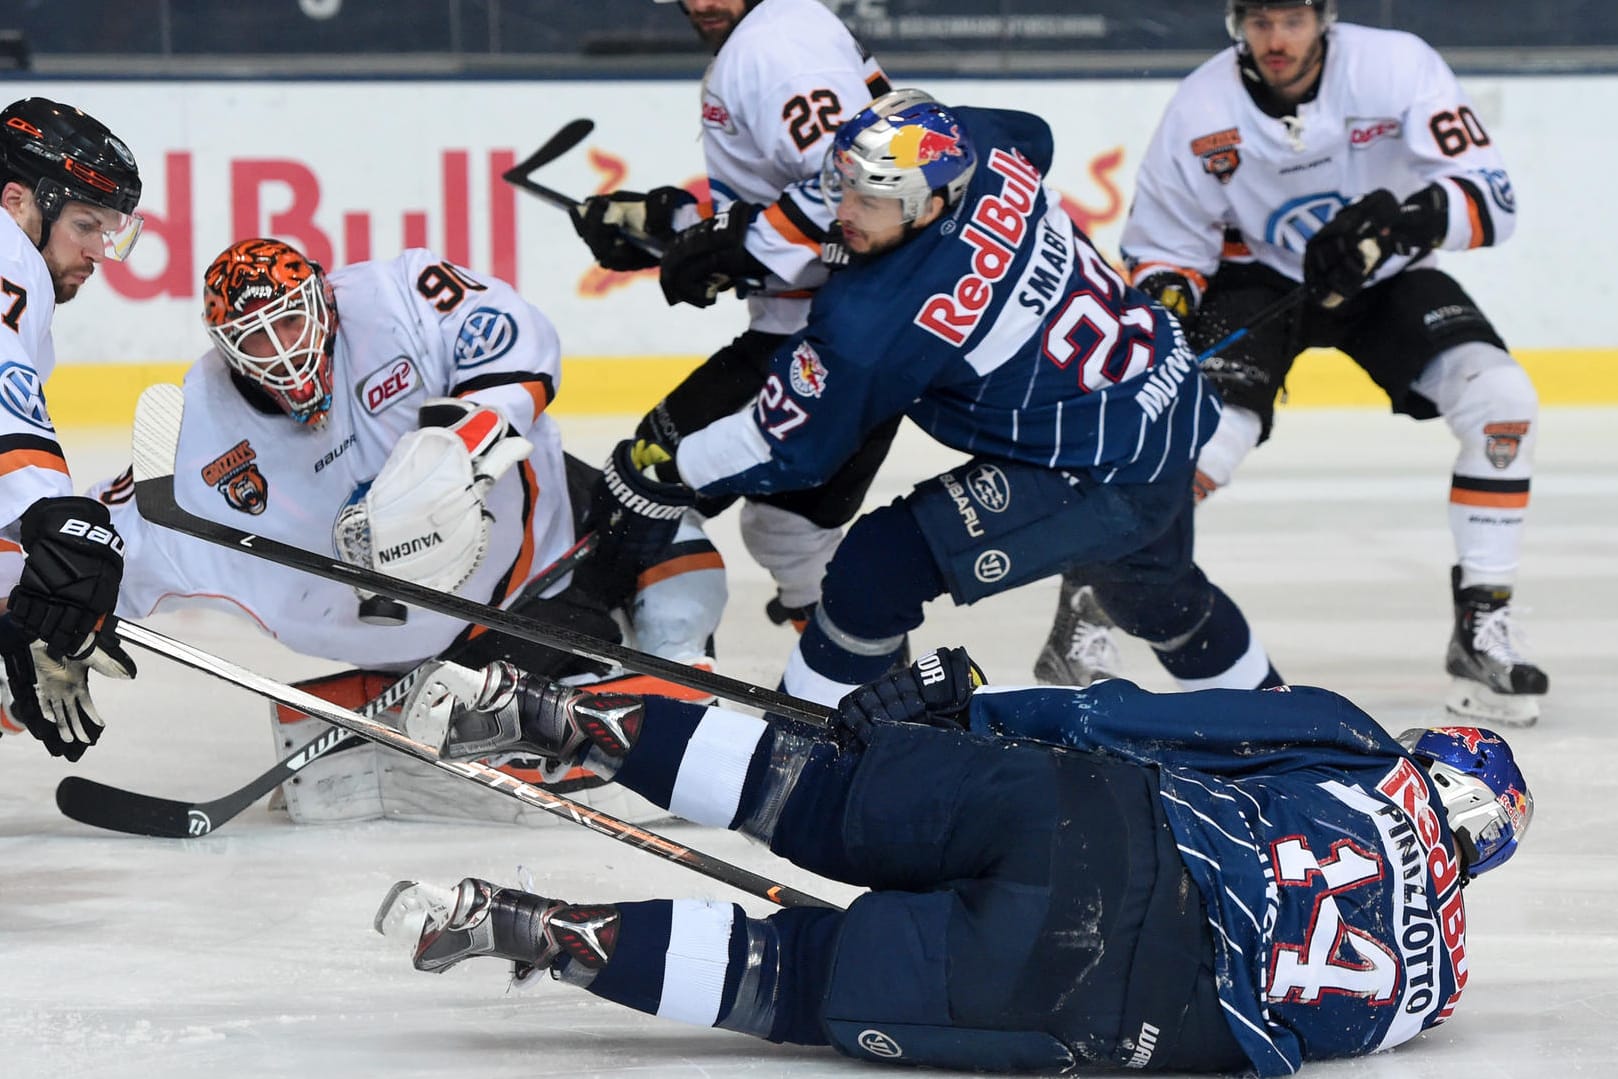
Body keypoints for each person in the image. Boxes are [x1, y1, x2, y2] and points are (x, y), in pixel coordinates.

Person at [378, 646, 1533, 1075]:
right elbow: (1261, 1046)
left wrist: (969, 714)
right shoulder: (1431, 989)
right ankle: (518, 926)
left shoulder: (1360, 750)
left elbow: (1136, 719)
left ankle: (532, 707)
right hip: (1103, 995)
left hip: (1093, 817)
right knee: (794, 978)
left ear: (1435, 759)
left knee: (810, 785)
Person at [593, 89, 1281, 704]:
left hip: (1099, 468)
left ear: (932, 204)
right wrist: (741, 238)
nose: (846, 211)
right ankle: (1283, 728)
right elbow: (1033, 132)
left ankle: (788, 751)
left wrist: (664, 469)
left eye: (871, 199)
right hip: (1167, 395)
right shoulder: (980, 145)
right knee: (1154, 594)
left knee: (876, 568)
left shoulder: (873, 324)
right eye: (845, 185)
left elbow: (789, 446)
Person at [88, 237, 726, 825]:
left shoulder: (395, 295)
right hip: (452, 631)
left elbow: (506, 337)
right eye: (256, 339)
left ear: (324, 297)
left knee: (684, 557)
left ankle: (623, 706)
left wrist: (462, 446)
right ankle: (459, 732)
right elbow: (90, 548)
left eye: (289, 321)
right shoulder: (200, 434)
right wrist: (36, 631)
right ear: (224, 348)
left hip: (547, 513)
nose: (282, 350)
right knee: (645, 713)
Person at [1036, 0, 1547, 726]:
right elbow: (1164, 247)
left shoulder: (1397, 66)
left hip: (1382, 271)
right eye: (1261, 21)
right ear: (1237, 22)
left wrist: (1406, 220)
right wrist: (1172, 309)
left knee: (1503, 399)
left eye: (1293, 20)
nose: (1277, 40)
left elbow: (1494, 198)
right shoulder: (1202, 106)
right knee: (1206, 440)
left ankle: (1481, 627)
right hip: (1255, 281)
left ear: (1324, 17)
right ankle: (1091, 596)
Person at [570, 0, 897, 631]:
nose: (702, 3)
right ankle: (883, 708)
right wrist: (667, 228)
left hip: (822, 342)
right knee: (791, 538)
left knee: (638, 488)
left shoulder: (772, 48)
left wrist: (732, 246)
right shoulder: (790, 25)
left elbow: (867, 188)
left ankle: (626, 693)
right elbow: (813, 202)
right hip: (869, 336)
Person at [0, 97, 144, 760]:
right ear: (17, 201)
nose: (100, 250)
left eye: (110, 228)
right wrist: (54, 525)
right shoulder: (8, 254)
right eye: (86, 223)